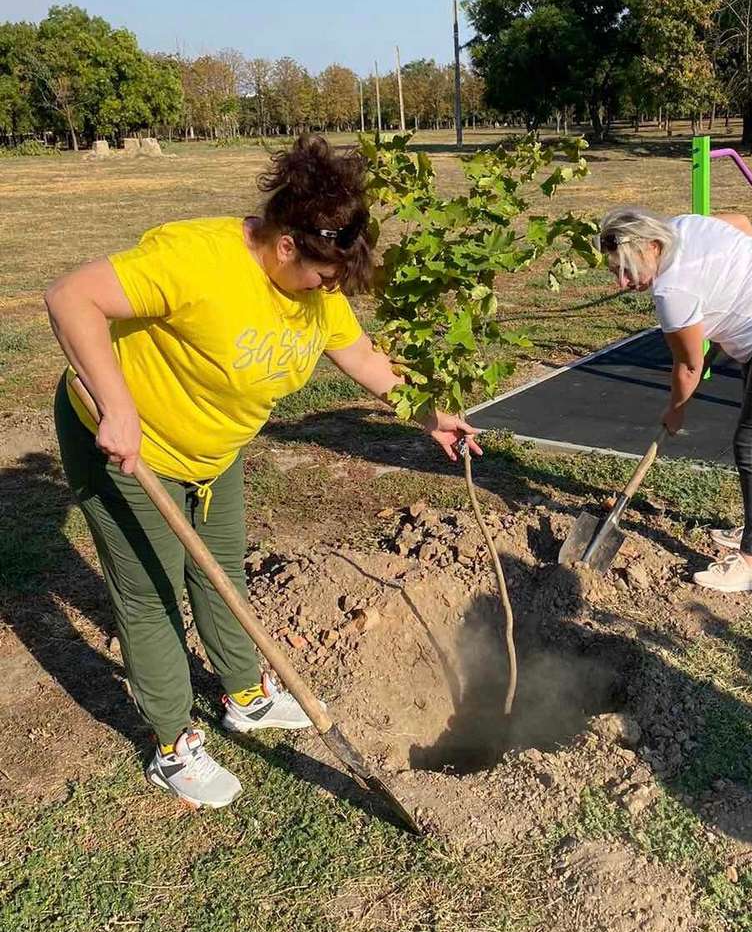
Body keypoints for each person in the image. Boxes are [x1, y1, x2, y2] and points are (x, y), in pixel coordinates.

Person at [45, 136, 480, 808]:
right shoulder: (197, 259)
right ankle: (171, 744)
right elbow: (71, 295)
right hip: (130, 447)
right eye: (323, 277)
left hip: (213, 456)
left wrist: (428, 413)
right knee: (153, 593)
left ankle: (245, 694)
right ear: (284, 246)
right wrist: (118, 405)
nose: (329, 291)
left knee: (220, 573)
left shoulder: (316, 282)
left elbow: (361, 355)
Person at [598, 206, 752, 594]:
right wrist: (741, 285)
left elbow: (689, 366)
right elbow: (741, 222)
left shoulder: (673, 291)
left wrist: (675, 411)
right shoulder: (683, 225)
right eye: (614, 271)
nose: (623, 282)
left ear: (654, 246)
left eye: (628, 268)